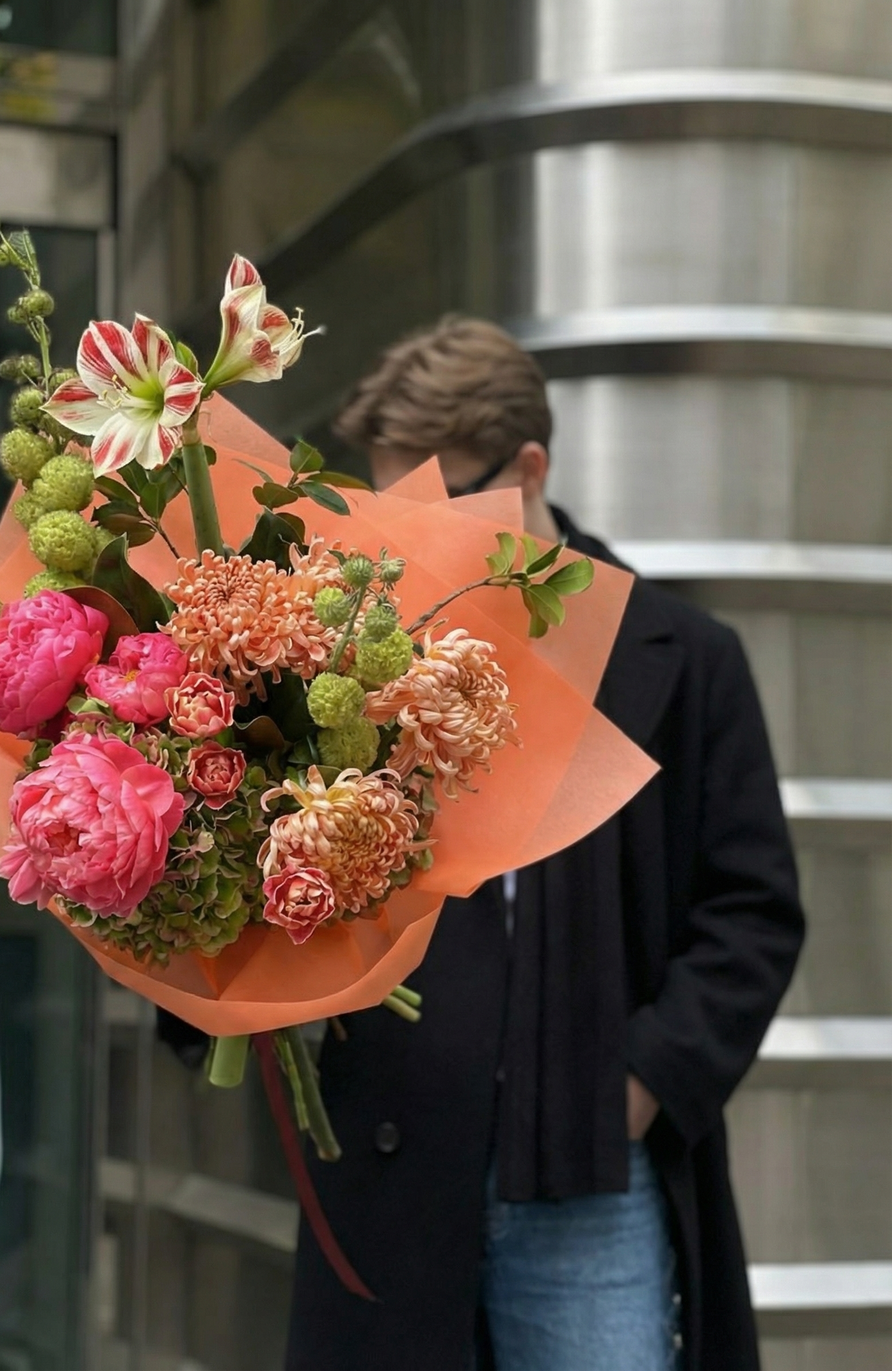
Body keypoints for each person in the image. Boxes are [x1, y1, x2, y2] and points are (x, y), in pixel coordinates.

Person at [283, 317, 805, 1371]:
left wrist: (637, 1086)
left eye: (440, 506)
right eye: (394, 510)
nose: (410, 541)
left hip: (586, 1179)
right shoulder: (343, 652)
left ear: (529, 468)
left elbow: (750, 913)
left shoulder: (684, 658)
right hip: (389, 1165)